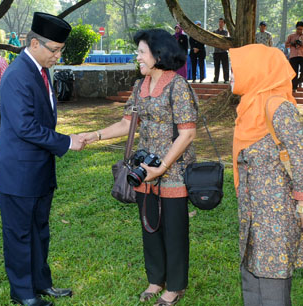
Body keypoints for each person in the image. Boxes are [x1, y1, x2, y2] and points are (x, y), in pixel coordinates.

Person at [78, 28, 197, 306]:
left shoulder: (178, 86)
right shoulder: (138, 86)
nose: (137, 56)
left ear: (158, 55)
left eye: (141, 52)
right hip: (144, 168)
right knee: (150, 224)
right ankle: (156, 279)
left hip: (173, 169)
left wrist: (164, 166)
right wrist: (93, 136)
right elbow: (126, 124)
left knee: (174, 229)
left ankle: (175, 286)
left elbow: (188, 133)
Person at [0, 12, 84, 306]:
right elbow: (25, 127)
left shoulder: (40, 71)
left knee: (39, 231)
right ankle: (23, 293)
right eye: (54, 50)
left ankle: (41, 283)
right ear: (34, 43)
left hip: (39, 170)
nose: (58, 56)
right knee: (19, 235)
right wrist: (67, 142)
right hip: (18, 174)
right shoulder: (18, 74)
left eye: (60, 50)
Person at [229, 44, 303, 306]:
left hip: (276, 217)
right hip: (252, 213)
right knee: (252, 277)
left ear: (257, 71)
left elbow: (302, 161)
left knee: (273, 285)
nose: (232, 75)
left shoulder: (279, 107)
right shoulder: (247, 108)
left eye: (237, 69)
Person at [285, 21, 303, 91]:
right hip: (293, 56)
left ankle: (299, 81)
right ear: (296, 28)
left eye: (301, 29)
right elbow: (286, 45)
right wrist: (292, 43)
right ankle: (294, 87)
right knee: (294, 72)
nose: (299, 31)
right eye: (298, 29)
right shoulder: (291, 36)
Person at [212, 18, 230, 83]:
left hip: (224, 52)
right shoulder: (215, 32)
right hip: (216, 52)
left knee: (225, 66)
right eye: (219, 22)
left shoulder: (226, 32)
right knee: (216, 66)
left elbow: (225, 41)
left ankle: (226, 79)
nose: (220, 23)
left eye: (222, 22)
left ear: (224, 24)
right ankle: (215, 79)